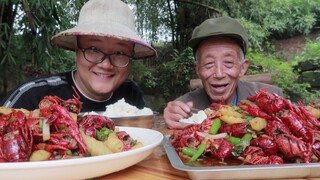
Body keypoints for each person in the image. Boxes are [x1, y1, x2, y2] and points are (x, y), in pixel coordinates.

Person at [0, 0, 156, 112]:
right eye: (94, 49)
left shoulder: (130, 95)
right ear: (76, 50)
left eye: (120, 53)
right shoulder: (30, 98)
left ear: (131, 56)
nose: (106, 64)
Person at [163, 16, 283, 129]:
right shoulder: (184, 109)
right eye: (209, 63)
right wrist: (171, 121)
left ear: (242, 67)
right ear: (198, 69)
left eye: (228, 62)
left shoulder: (271, 99)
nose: (219, 74)